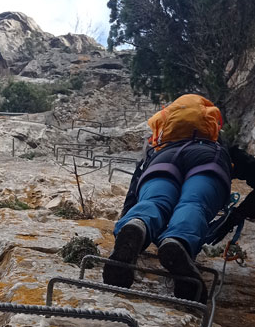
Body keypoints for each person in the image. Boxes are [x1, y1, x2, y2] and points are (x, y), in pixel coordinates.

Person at [102, 93, 255, 304]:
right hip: (209, 160)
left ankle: (138, 224)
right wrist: (236, 216)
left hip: (163, 161)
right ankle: (178, 241)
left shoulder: (159, 145)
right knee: (194, 204)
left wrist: (126, 219)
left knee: (154, 202)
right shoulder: (220, 144)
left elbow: (134, 189)